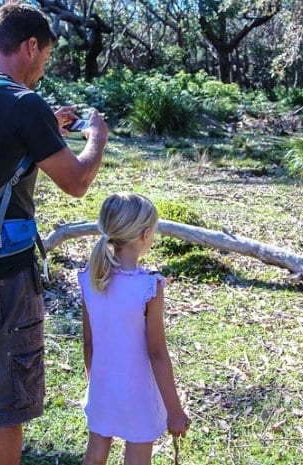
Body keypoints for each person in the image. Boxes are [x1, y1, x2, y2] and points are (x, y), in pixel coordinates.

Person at [0, 3, 108, 465]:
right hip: (6, 277)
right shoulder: (25, 105)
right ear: (30, 46)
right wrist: (96, 138)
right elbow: (77, 182)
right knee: (3, 402)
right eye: (44, 57)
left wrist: (49, 123)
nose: (43, 67)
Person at [78, 193, 190, 465]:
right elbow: (157, 353)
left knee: (94, 455)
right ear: (145, 234)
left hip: (103, 384)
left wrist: (96, 380)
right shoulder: (149, 288)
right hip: (138, 390)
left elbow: (88, 342)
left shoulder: (89, 280)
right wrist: (174, 411)